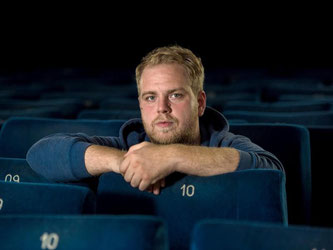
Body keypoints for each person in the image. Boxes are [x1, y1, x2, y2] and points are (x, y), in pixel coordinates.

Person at [26, 45, 284, 195]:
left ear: (200, 103)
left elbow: (271, 170)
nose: (162, 108)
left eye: (175, 95)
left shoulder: (225, 144)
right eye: (150, 98)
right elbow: (41, 153)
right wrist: (123, 161)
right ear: (140, 105)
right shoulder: (129, 147)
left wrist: (171, 156)